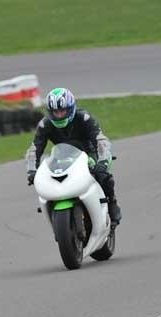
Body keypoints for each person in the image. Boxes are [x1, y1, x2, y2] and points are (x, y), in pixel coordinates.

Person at [26, 87, 121, 225]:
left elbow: (101, 141)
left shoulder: (84, 118)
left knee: (102, 175)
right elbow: (34, 149)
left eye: (62, 111)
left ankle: (112, 202)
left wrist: (103, 162)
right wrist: (32, 170)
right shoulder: (44, 125)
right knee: (50, 177)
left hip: (89, 154)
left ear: (70, 108)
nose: (59, 115)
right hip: (62, 157)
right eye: (55, 112)